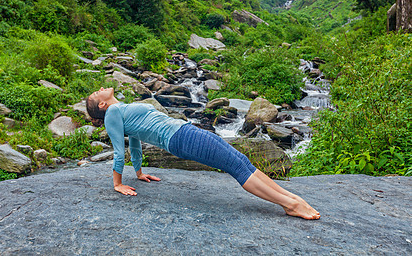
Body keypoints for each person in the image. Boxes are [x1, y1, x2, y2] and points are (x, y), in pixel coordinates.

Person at [86, 87, 320, 220]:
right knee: (236, 166)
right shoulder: (113, 114)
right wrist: (118, 184)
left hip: (183, 131)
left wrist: (138, 173)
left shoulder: (120, 109)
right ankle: (289, 205)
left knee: (241, 160)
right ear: (102, 106)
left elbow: (135, 142)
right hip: (180, 138)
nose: (100, 89)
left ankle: (291, 197)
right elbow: (119, 151)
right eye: (97, 94)